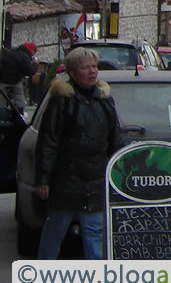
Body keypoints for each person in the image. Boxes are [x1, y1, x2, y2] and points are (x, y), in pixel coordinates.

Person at [34, 46, 123, 260]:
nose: (92, 71)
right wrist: (43, 180)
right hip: (66, 179)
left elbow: (115, 139)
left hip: (95, 178)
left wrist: (118, 171)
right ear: (73, 73)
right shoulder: (61, 100)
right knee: (56, 228)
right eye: (85, 68)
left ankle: (96, 278)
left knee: (94, 231)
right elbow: (48, 142)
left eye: (94, 66)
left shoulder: (105, 100)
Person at [0, 42, 41, 112]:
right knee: (19, 95)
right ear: (31, 50)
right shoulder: (25, 57)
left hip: (2, 79)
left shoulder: (10, 52)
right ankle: (20, 111)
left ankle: (2, 112)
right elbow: (30, 71)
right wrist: (35, 64)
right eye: (34, 51)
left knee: (1, 97)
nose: (34, 53)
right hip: (15, 81)